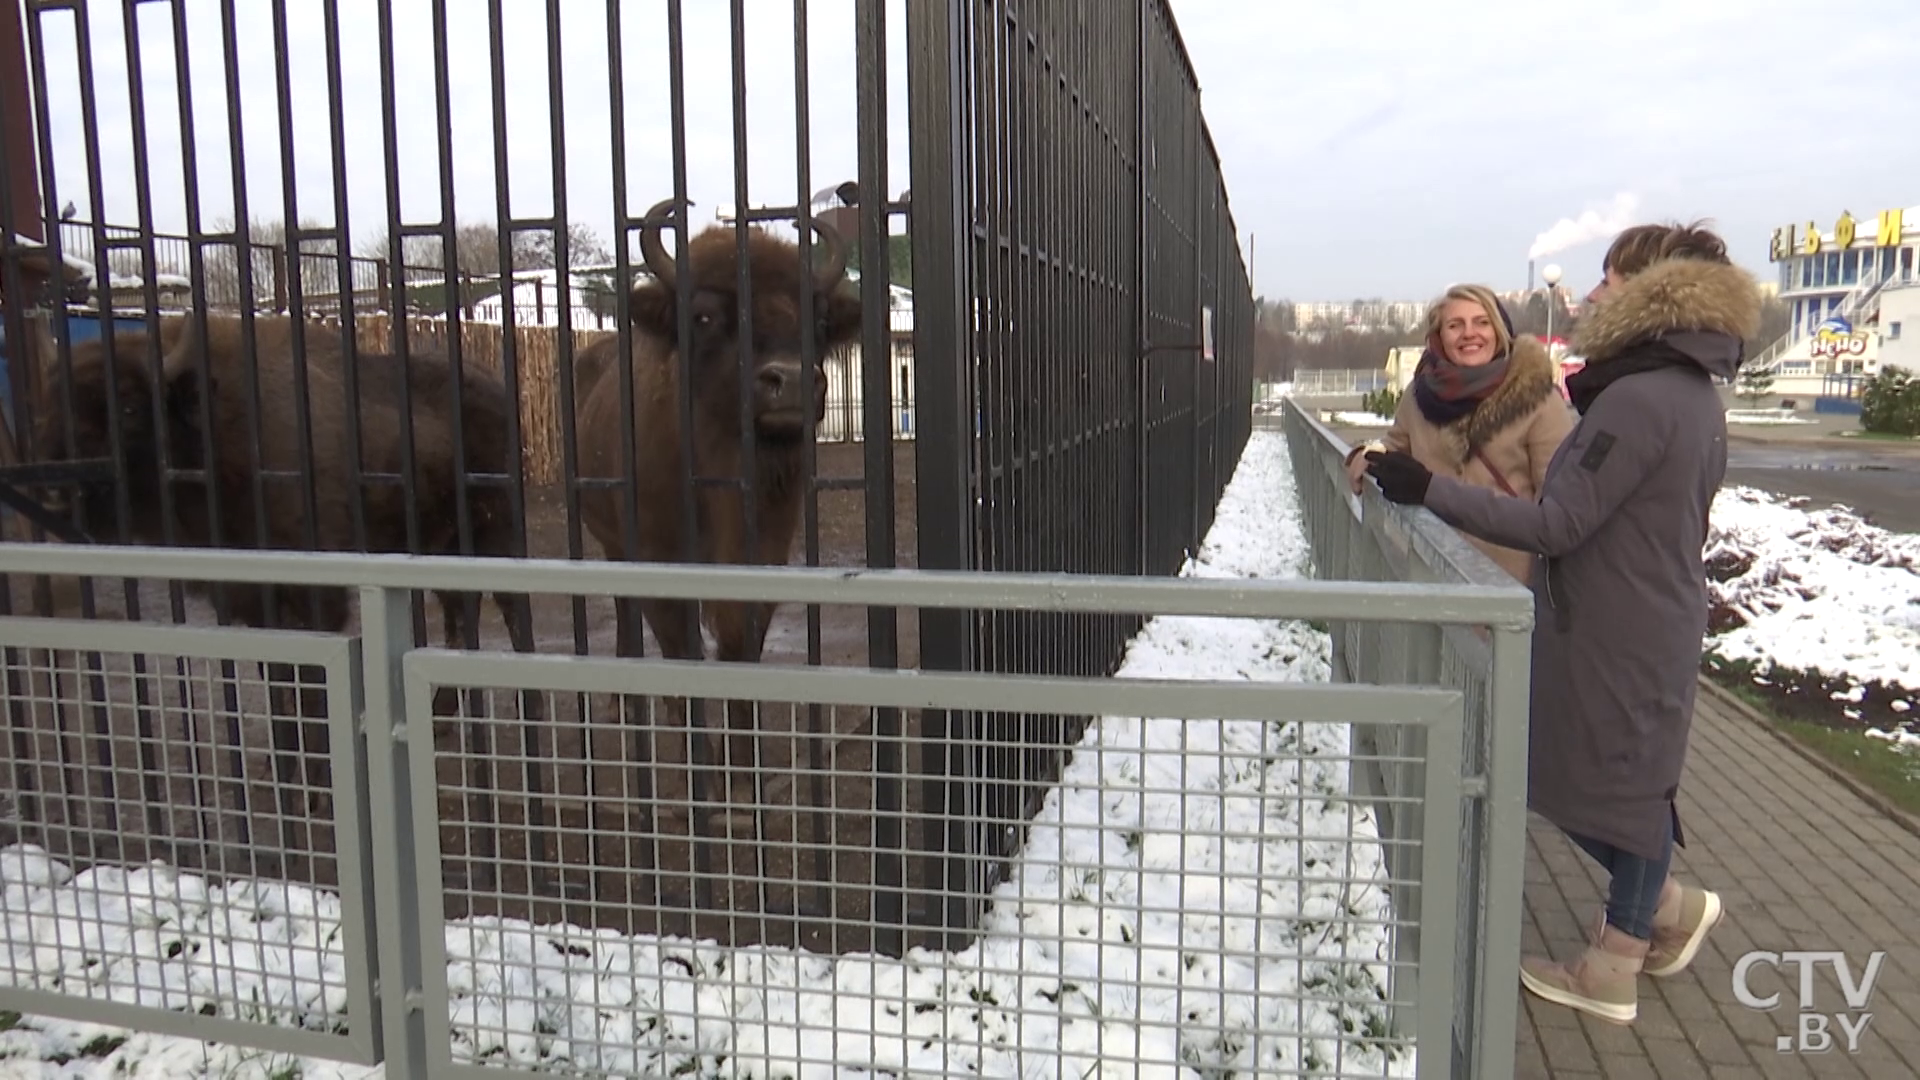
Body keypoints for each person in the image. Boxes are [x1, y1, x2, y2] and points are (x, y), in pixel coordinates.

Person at [1361, 221, 1756, 1025]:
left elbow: (1559, 522)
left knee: (1615, 792)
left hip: (1618, 625)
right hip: (1621, 616)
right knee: (1590, 783)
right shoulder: (1675, 392)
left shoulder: (1641, 399)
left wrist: (1425, 489)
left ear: (1649, 292)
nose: (1598, 293)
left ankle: (1616, 960)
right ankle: (1661, 912)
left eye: (1612, 280)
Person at [1342, 284, 1574, 584]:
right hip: (1432, 574)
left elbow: (1558, 505)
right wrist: (1365, 455)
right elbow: (1396, 446)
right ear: (1439, 337)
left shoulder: (1539, 400)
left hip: (1511, 587)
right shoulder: (1419, 395)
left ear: (1500, 330)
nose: (1469, 334)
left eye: (1482, 322)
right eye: (1455, 325)